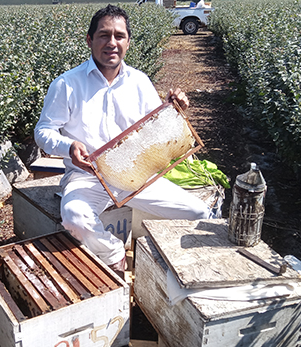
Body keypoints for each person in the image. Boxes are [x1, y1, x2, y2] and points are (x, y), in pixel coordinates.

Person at [34, 4, 211, 278]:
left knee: (199, 212)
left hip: (135, 178)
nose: (111, 43)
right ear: (89, 40)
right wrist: (68, 146)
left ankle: (170, 273)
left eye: (119, 36)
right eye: (104, 35)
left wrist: (174, 111)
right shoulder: (66, 84)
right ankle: (115, 256)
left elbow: (155, 128)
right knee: (74, 217)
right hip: (88, 179)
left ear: (128, 42)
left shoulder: (139, 82)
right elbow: (43, 132)